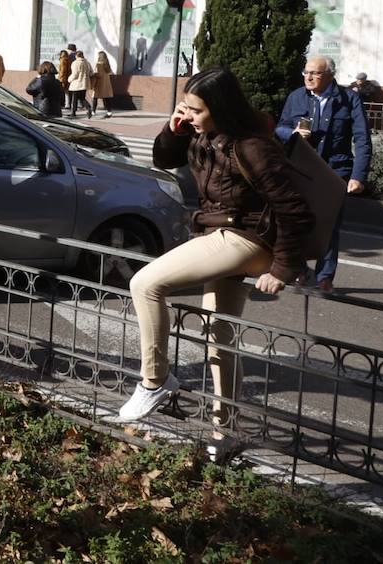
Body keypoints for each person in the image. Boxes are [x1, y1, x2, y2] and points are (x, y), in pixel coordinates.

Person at [120, 67, 313, 462]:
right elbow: (165, 159)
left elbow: (295, 209)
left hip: (246, 239)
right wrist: (174, 129)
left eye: (195, 109)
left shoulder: (252, 145)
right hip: (220, 235)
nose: (189, 115)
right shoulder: (203, 134)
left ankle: (155, 381)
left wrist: (282, 268)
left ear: (220, 108)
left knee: (145, 284)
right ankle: (225, 429)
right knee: (218, 336)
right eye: (185, 107)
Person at [274, 56, 371, 291]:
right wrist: (293, 134)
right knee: (297, 221)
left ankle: (324, 276)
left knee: (328, 225)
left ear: (329, 75)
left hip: (336, 170)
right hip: (302, 169)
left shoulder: (349, 99)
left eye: (315, 73)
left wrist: (358, 176)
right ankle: (298, 269)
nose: (308, 77)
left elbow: (362, 139)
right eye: (306, 72)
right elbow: (279, 127)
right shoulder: (296, 97)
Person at [67, 51, 92, 117]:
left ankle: (73, 112)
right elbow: (91, 72)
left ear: (76, 56)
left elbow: (75, 74)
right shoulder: (87, 62)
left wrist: (69, 79)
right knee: (82, 98)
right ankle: (89, 107)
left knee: (74, 98)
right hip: (84, 83)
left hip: (77, 83)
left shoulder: (75, 63)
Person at [92, 52, 115, 118]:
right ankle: (109, 112)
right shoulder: (107, 65)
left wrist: (93, 75)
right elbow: (110, 73)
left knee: (95, 97)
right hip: (106, 83)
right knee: (106, 98)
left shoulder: (98, 65)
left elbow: (96, 73)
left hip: (99, 83)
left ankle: (93, 111)